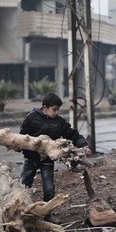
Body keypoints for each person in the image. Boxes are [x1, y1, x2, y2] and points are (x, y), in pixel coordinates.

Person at [19, 93, 92, 223]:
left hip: (47, 161)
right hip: (31, 159)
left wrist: (84, 145)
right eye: (54, 109)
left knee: (49, 188)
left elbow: (73, 134)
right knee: (24, 186)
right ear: (45, 108)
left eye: (58, 109)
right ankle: (20, 213)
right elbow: (22, 136)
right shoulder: (31, 118)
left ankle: (48, 215)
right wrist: (19, 147)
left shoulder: (59, 122)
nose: (57, 112)